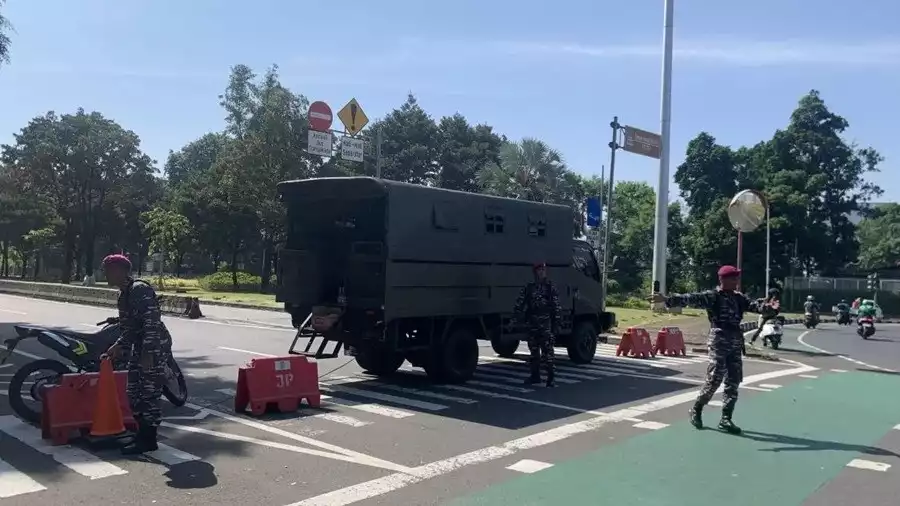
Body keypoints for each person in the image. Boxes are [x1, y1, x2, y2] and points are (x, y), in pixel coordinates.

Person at [650, 265, 778, 434]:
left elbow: (756, 307)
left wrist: (770, 308)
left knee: (734, 380)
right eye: (733, 278)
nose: (736, 281)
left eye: (737, 278)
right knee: (715, 378)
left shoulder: (739, 298)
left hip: (735, 341)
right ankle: (697, 408)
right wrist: (668, 299)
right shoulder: (713, 296)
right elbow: (691, 298)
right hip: (719, 340)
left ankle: (726, 418)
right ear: (723, 280)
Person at [100, 254, 173, 454]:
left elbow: (152, 322)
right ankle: (141, 434)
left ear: (120, 270)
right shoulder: (124, 295)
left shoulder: (140, 289)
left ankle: (149, 439)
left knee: (149, 393)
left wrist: (148, 354)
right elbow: (129, 328)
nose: (105, 274)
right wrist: (119, 345)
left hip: (154, 345)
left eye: (108, 269)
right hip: (141, 346)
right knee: (133, 392)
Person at [514, 262, 561, 388]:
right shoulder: (530, 287)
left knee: (548, 352)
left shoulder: (550, 287)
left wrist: (556, 323)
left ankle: (551, 378)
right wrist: (519, 317)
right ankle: (535, 376)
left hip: (546, 324)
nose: (542, 272)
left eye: (543, 270)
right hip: (532, 323)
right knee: (534, 352)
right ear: (535, 272)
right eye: (539, 270)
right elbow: (520, 303)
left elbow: (556, 306)